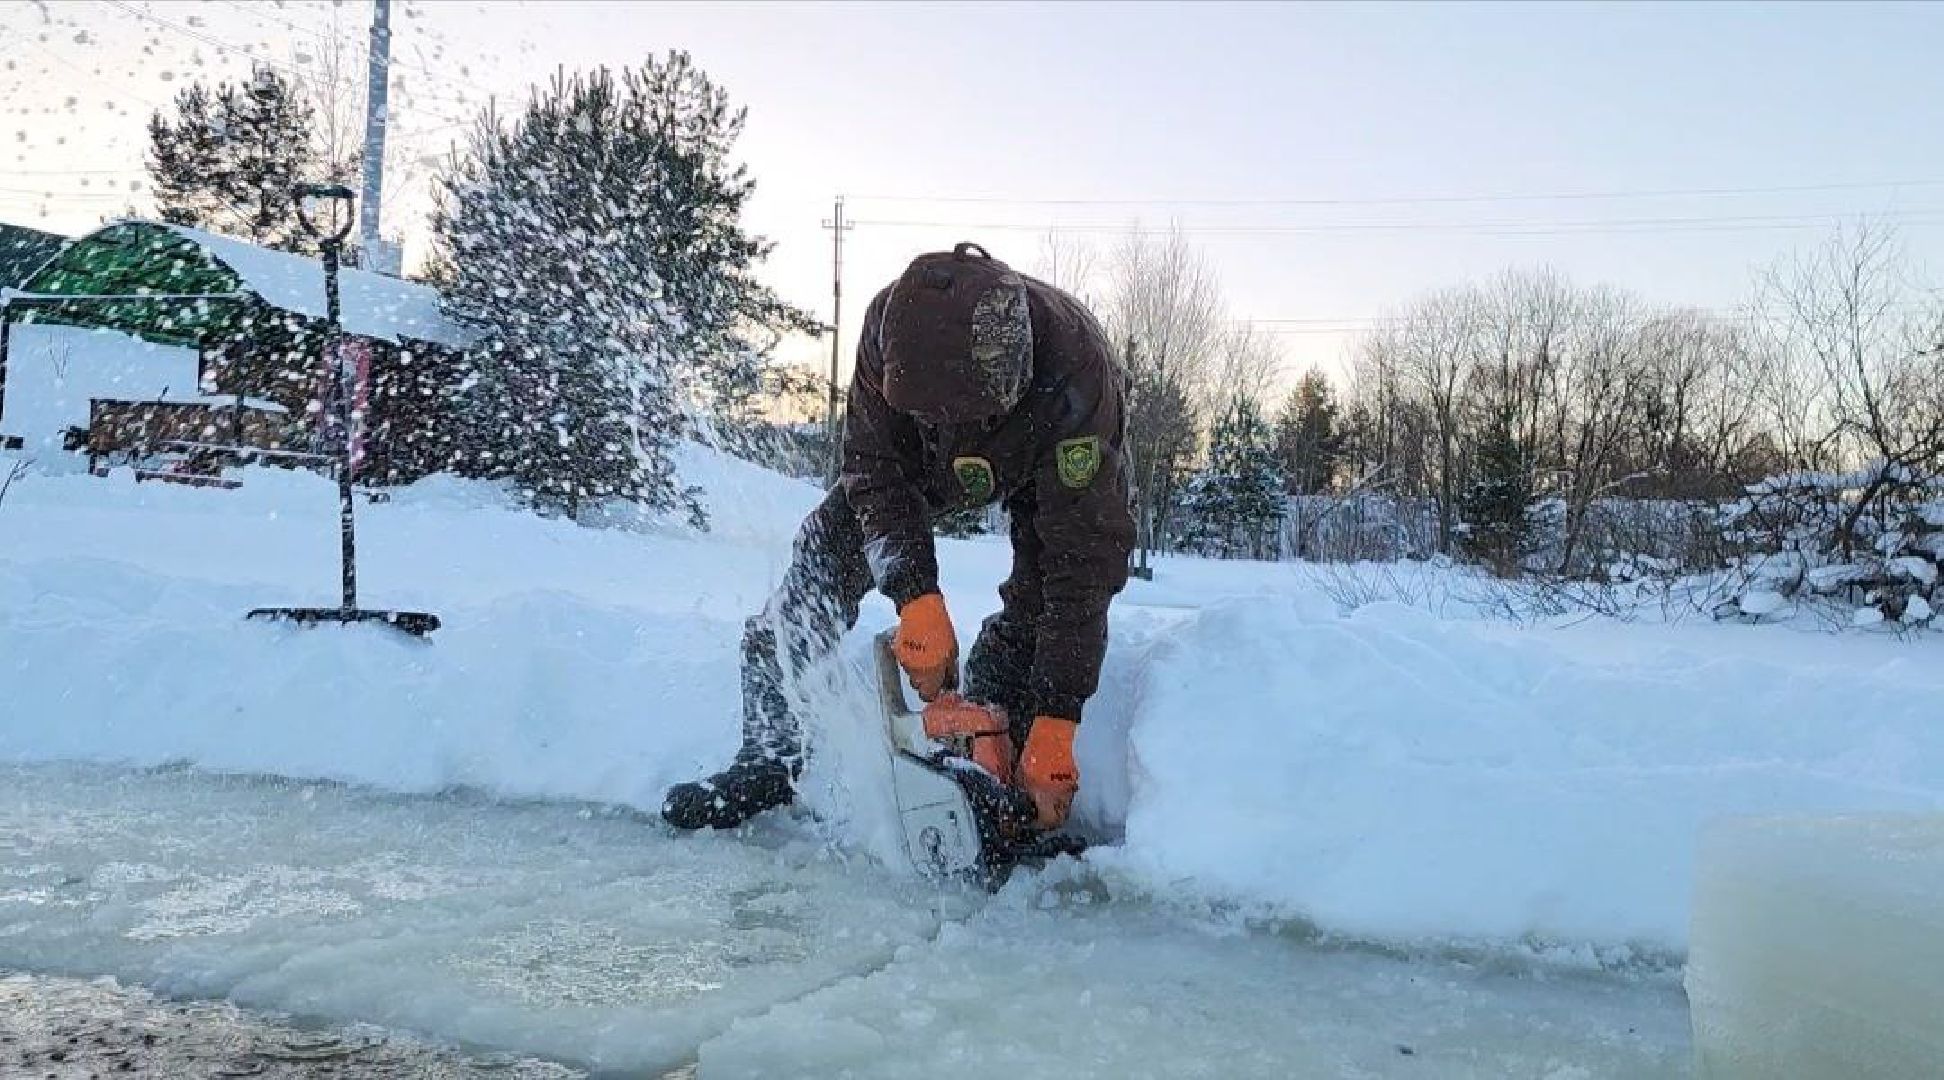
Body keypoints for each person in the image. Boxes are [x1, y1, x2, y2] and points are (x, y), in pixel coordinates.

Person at [662, 242, 1134, 834]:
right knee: (824, 554)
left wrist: (1059, 717)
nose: (951, 431)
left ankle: (1006, 755)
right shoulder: (886, 331)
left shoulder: (1077, 380)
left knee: (1044, 599)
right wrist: (916, 598)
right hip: (918, 461)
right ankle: (768, 755)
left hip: (1043, 449)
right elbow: (874, 470)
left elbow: (1083, 563)